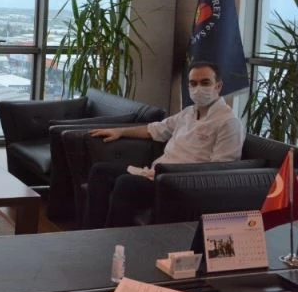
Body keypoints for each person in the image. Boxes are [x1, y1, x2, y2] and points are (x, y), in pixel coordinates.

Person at [85, 61, 244, 229]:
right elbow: (155, 129)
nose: (198, 88)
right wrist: (121, 131)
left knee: (126, 183)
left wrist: (172, 174)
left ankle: (113, 241)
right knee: (101, 170)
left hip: (180, 184)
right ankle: (89, 233)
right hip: (156, 174)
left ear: (218, 86)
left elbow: (220, 170)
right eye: (193, 83)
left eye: (205, 83)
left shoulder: (228, 122)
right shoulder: (188, 113)